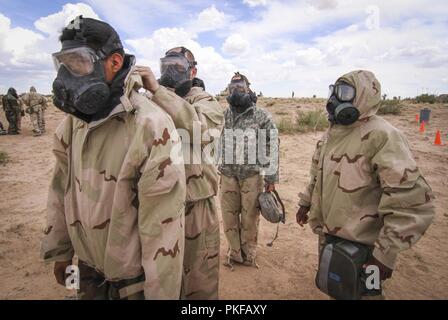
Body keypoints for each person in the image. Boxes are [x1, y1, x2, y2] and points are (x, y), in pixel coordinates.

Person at [40, 16, 186, 300]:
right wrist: (61, 252)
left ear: (114, 63)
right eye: (63, 63)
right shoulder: (72, 124)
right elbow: (61, 190)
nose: (68, 74)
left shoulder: (150, 126)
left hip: (131, 284)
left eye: (78, 62)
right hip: (85, 270)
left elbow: (163, 233)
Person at [296, 70, 435, 299]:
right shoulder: (330, 135)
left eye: (345, 93)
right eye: (334, 91)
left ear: (363, 96)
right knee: (338, 290)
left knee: (365, 294)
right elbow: (316, 177)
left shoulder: (383, 136)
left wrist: (384, 255)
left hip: (365, 248)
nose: (335, 99)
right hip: (330, 236)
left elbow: (411, 202)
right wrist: (305, 203)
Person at [136, 46, 225, 300]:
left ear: (192, 71)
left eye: (177, 66)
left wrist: (157, 91)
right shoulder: (151, 99)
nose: (170, 72)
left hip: (195, 203)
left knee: (199, 280)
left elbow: (202, 131)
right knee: (160, 278)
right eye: (166, 66)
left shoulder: (205, 101)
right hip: (158, 204)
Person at [219, 72, 279, 269]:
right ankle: (235, 254)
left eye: (241, 88)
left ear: (249, 89)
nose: (236, 92)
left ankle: (249, 255)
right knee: (229, 217)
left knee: (249, 219)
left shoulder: (261, 115)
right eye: (232, 88)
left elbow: (272, 145)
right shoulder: (226, 113)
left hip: (252, 176)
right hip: (228, 174)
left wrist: (271, 176)